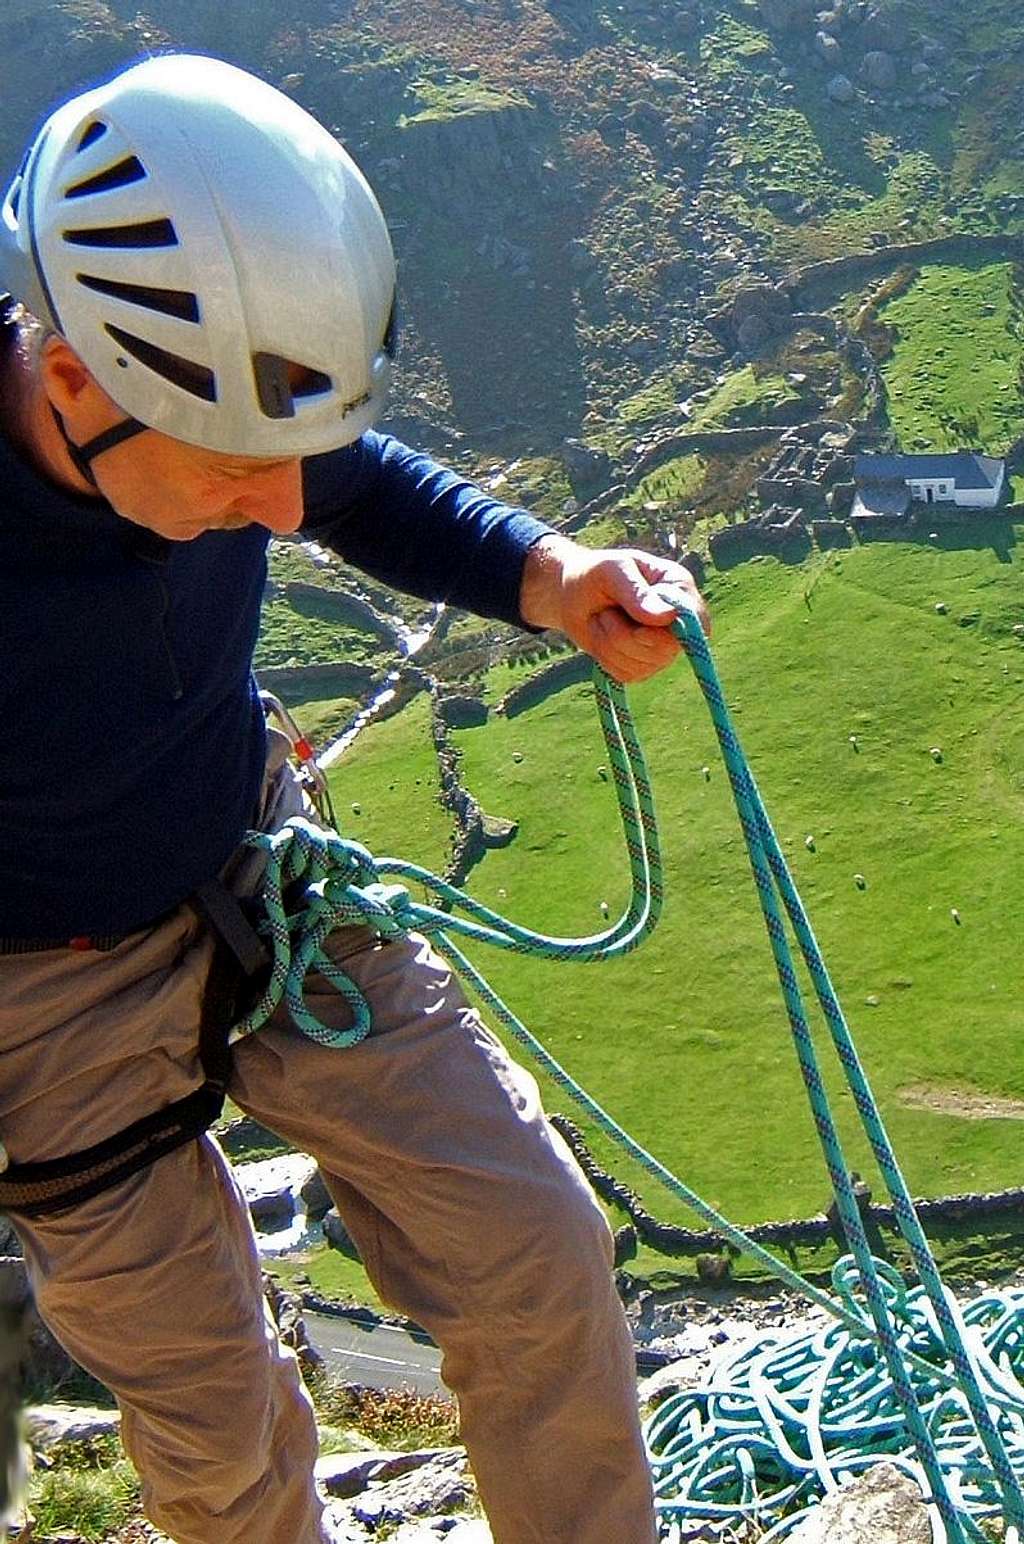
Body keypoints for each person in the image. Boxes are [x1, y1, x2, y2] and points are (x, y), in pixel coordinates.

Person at [0, 52, 708, 1544]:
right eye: (232, 475)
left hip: (257, 873)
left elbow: (353, 485)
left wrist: (547, 576)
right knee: (221, 1439)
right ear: (71, 377)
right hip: (39, 1005)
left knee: (542, 1262)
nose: (276, 511)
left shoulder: (201, 403)